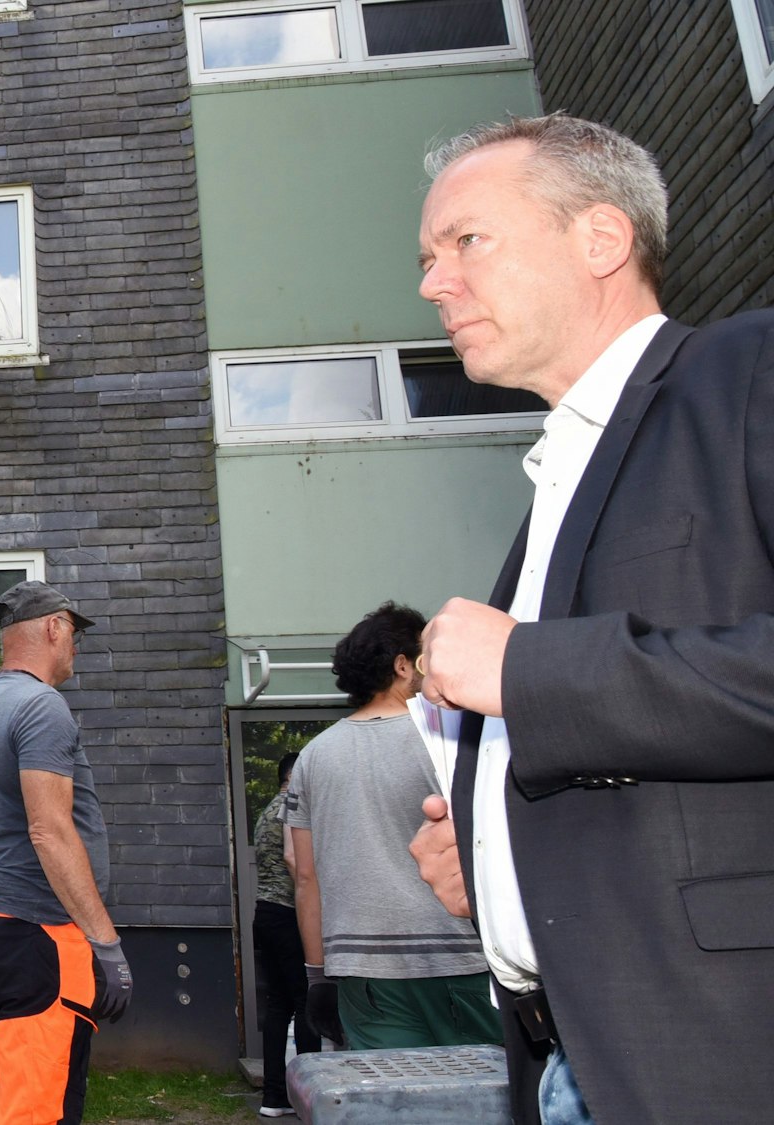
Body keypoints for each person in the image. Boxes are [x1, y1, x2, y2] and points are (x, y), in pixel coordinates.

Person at [409, 113, 774, 1125]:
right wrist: (494, 859)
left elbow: (559, 680)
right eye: (426, 258)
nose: (433, 284)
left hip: (721, 1053)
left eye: (464, 243)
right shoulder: (553, 483)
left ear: (600, 240)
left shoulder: (744, 373)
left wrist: (528, 670)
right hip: (569, 1056)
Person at [0, 581, 133, 1125]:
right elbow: (49, 831)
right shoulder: (41, 706)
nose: (76, 644)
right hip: (38, 937)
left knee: (5, 1102)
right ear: (53, 627)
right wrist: (107, 945)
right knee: (39, 1112)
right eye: (73, 631)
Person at [286, 603, 498, 1058]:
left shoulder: (313, 756)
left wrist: (317, 975)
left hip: (363, 973)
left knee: (394, 1101)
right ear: (404, 665)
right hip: (461, 959)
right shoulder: (451, 738)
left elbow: (303, 874)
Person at [249, 751, 318, 1118]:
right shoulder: (291, 808)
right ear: (293, 775)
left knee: (279, 1004)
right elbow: (296, 861)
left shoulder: (265, 812)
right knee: (307, 999)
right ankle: (309, 1095)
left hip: (266, 913)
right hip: (291, 913)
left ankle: (274, 1095)